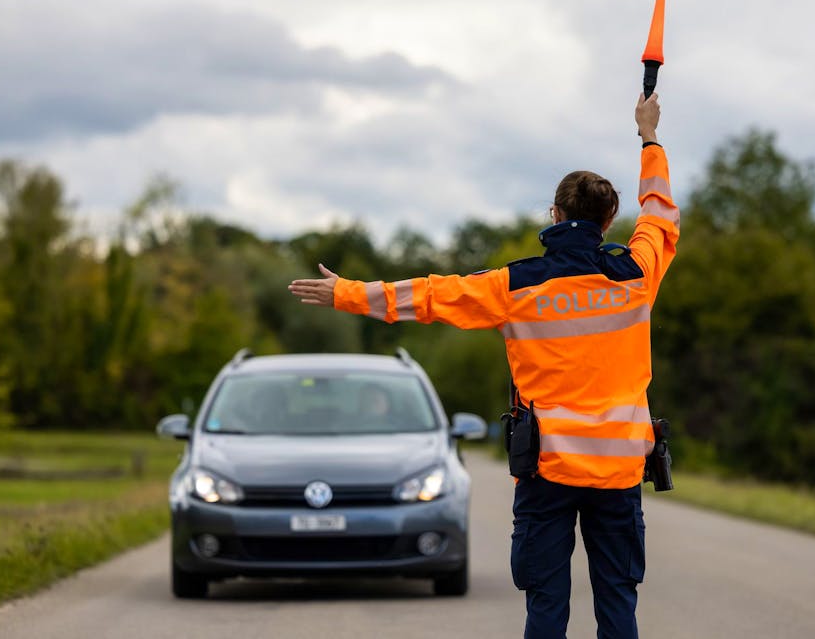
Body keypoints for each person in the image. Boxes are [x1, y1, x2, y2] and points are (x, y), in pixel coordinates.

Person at [288, 92, 677, 639]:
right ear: (610, 220)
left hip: (547, 469)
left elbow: (427, 296)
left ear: (555, 216)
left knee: (546, 605)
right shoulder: (637, 274)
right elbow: (660, 213)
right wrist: (649, 137)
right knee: (617, 602)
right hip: (617, 471)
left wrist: (348, 294)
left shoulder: (513, 285)